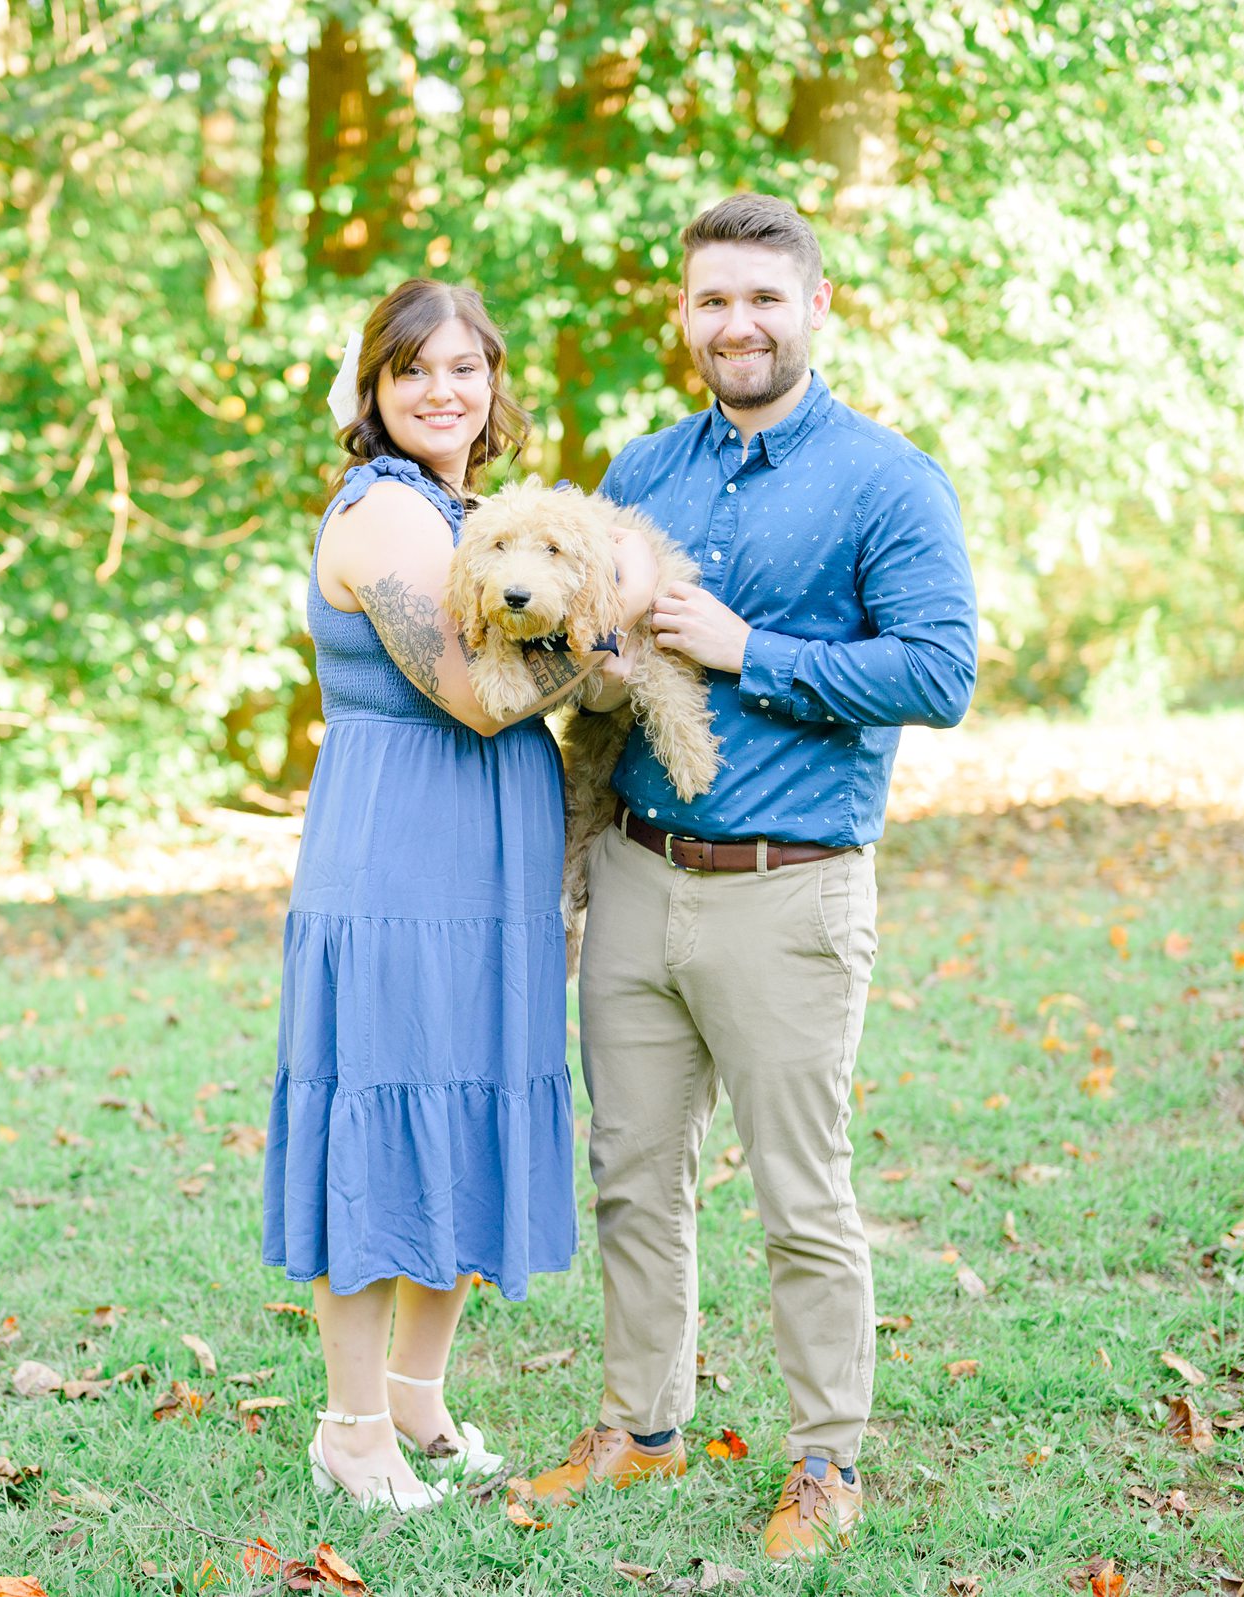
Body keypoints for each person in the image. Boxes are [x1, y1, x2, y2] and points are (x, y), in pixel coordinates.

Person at [517, 195, 978, 1559]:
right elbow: (589, 662)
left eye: (765, 299)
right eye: (714, 300)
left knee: (801, 1193)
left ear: (816, 308)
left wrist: (744, 646)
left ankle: (825, 1462)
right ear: (685, 314)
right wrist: (588, 672)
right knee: (634, 1173)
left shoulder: (890, 480)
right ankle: (640, 1430)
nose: (738, 323)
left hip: (793, 888)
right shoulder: (640, 469)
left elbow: (939, 673)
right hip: (638, 874)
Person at [260, 277, 656, 1512]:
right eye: (413, 371)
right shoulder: (383, 516)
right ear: (373, 392)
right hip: (395, 850)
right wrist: (606, 626)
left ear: (494, 386)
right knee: (384, 1105)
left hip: (491, 849)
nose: (443, 391)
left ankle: (421, 1400)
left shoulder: (468, 509)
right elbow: (478, 696)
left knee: (470, 1096)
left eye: (465, 369)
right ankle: (350, 1425)